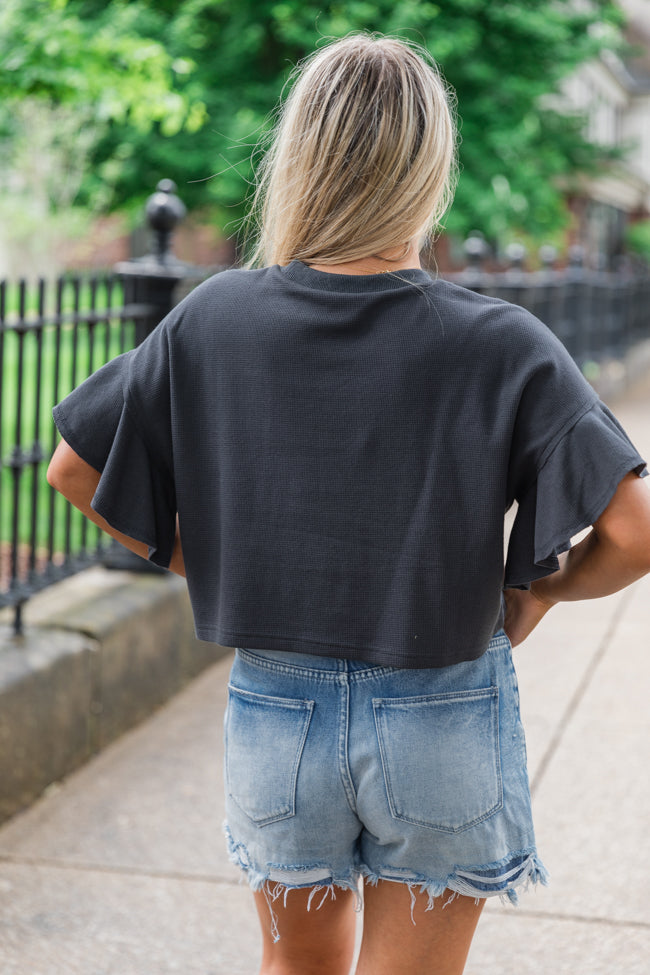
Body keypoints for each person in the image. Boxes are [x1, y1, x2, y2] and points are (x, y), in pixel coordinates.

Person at [47, 33, 650, 975]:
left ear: (302, 158)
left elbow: (73, 469)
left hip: (276, 710)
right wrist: (541, 593)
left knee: (296, 968)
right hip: (443, 703)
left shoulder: (215, 316)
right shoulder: (500, 341)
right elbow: (635, 530)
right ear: (428, 169)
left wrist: (202, 563)